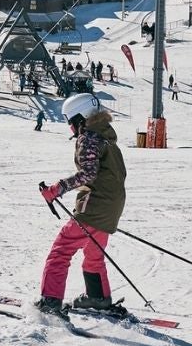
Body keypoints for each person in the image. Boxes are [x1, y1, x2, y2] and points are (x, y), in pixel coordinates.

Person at [35, 94, 128, 318]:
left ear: (81, 117)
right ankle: (98, 298)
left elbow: (88, 173)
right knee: (94, 254)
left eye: (70, 120)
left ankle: (50, 301)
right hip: (111, 207)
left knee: (61, 251)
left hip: (94, 207)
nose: (69, 126)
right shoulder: (107, 137)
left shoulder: (89, 137)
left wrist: (56, 189)